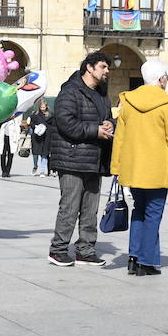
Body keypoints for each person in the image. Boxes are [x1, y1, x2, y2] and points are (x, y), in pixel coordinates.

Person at [112, 59, 168, 276]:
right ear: (161, 79)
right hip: (157, 168)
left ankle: (134, 257)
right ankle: (147, 262)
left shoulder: (127, 102)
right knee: (153, 214)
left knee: (139, 211)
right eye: (167, 77)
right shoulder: (167, 104)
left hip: (134, 168)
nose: (167, 81)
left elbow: (120, 138)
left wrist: (117, 167)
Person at [47, 51, 114, 267]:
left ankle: (85, 250)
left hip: (95, 158)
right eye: (103, 67)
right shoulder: (70, 91)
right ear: (90, 67)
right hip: (72, 158)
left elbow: (108, 117)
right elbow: (65, 122)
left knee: (90, 208)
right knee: (70, 206)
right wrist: (95, 130)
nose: (107, 71)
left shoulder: (102, 94)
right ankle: (58, 249)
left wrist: (111, 125)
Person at [30, 102, 51, 175]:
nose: (42, 109)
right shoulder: (35, 114)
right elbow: (31, 123)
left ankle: (42, 170)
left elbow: (51, 125)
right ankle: (35, 166)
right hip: (36, 136)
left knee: (44, 154)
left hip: (46, 136)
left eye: (43, 107)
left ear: (46, 107)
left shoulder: (49, 115)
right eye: (41, 107)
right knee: (35, 153)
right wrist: (35, 126)